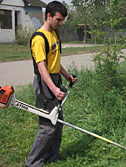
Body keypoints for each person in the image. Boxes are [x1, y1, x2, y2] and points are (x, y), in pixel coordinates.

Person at [25, 1, 77, 167]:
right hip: (45, 84)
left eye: (62, 20)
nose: (61, 23)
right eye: (58, 20)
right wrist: (54, 89)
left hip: (55, 79)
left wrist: (67, 76)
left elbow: (54, 61)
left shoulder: (54, 33)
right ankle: (32, 163)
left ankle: (51, 158)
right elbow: (42, 67)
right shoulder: (39, 39)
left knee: (58, 123)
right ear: (49, 16)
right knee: (48, 126)